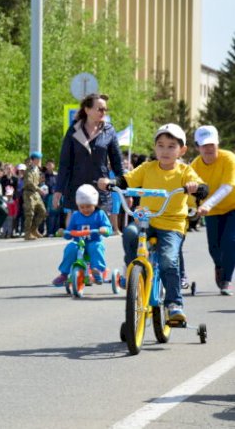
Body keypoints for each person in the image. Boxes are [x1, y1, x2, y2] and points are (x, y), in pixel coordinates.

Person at [98, 123, 207, 323]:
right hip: (145, 220)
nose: (165, 150)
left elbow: (201, 187)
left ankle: (174, 304)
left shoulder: (184, 171)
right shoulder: (147, 168)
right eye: (161, 145)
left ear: (181, 150)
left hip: (172, 224)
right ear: (154, 147)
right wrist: (110, 183)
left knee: (168, 259)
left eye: (171, 146)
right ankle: (134, 272)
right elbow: (127, 180)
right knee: (130, 233)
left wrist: (196, 187)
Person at [54, 93, 124, 224]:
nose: (104, 112)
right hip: (77, 189)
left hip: (101, 189)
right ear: (87, 110)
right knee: (78, 233)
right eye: (100, 109)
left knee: (98, 232)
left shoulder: (109, 130)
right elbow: (64, 163)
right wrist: (58, 190)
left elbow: (117, 162)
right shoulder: (73, 131)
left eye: (105, 109)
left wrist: (125, 190)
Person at [190, 125, 235, 295]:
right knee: (214, 247)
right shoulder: (194, 165)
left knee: (230, 242)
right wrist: (193, 207)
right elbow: (191, 193)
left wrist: (207, 204)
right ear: (197, 147)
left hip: (232, 207)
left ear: (218, 144)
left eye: (212, 145)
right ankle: (219, 265)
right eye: (204, 145)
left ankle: (227, 280)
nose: (209, 149)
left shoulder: (229, 158)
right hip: (211, 212)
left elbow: (227, 187)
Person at [52, 185, 112, 286]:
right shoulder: (76, 215)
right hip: (79, 243)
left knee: (96, 247)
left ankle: (97, 271)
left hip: (94, 241)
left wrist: (104, 229)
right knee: (70, 248)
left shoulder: (100, 214)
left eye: (88, 206)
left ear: (94, 204)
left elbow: (108, 229)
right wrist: (64, 232)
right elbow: (69, 233)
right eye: (82, 207)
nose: (85, 209)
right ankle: (64, 274)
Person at [23, 152, 47, 240]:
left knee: (43, 212)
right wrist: (39, 189)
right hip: (29, 193)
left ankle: (34, 229)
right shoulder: (28, 170)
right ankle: (27, 233)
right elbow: (29, 183)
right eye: (37, 159)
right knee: (30, 213)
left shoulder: (37, 169)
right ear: (33, 160)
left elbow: (37, 181)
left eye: (39, 159)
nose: (39, 161)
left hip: (35, 193)